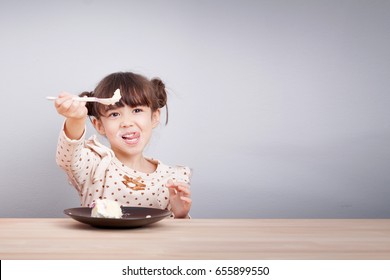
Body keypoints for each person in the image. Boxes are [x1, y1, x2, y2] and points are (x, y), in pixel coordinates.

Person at [54, 72, 191, 218]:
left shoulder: (171, 179)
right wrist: (76, 119)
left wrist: (180, 215)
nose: (127, 122)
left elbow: (172, 236)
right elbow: (67, 157)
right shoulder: (94, 164)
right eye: (114, 114)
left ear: (154, 117)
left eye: (137, 110)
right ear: (99, 125)